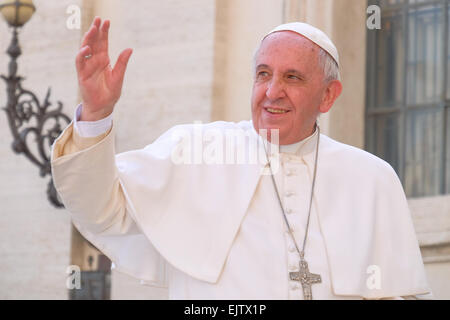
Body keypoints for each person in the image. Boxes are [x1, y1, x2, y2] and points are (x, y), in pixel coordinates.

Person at [51, 17, 432, 299]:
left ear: (328, 96)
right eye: (263, 74)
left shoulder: (372, 178)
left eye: (293, 78)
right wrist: (97, 113)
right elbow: (99, 210)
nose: (272, 92)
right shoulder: (194, 150)